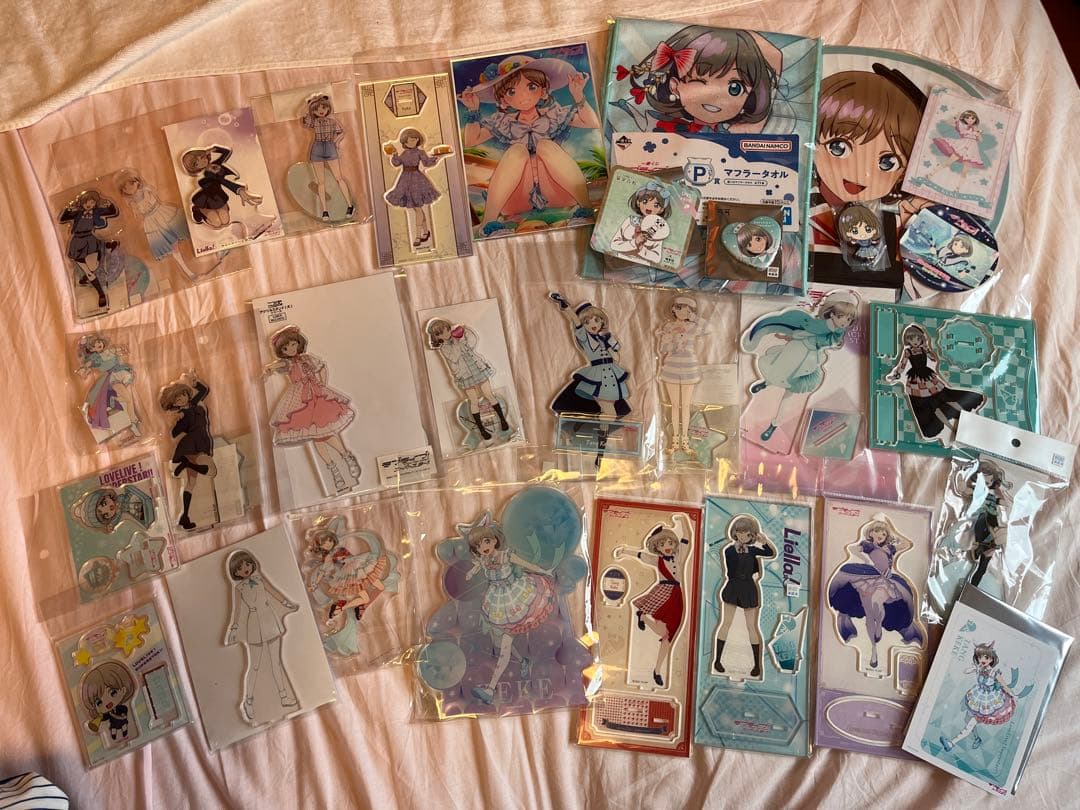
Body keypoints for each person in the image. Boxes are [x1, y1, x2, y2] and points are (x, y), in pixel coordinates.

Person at [459, 53, 599, 234]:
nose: (523, 96)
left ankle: (586, 209)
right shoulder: (504, 122)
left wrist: (578, 95)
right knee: (517, 150)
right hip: (518, 197)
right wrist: (472, 110)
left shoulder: (554, 115)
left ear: (543, 90)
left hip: (557, 191)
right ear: (503, 100)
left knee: (545, 145)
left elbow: (592, 122)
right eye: (512, 92)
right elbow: (471, 141)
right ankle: (489, 223)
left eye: (531, 87)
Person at [463, 513, 557, 704]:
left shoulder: (506, 555)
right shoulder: (484, 561)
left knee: (504, 645)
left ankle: (490, 690)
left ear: (494, 539)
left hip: (517, 599)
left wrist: (544, 571)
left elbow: (527, 564)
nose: (484, 547)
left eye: (486, 541)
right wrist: (471, 572)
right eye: (478, 546)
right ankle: (523, 661)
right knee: (501, 643)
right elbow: (477, 567)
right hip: (497, 604)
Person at [742, 290, 858, 442]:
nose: (845, 322)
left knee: (790, 391)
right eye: (842, 316)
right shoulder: (819, 324)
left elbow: (827, 341)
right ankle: (766, 383)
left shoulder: (837, 332)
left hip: (810, 359)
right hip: (797, 349)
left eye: (849, 319)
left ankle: (774, 424)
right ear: (832, 314)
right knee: (780, 368)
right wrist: (788, 336)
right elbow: (803, 332)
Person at [263, 326, 360, 493]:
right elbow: (278, 365)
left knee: (323, 432)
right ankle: (336, 467)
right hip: (300, 399)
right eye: (285, 348)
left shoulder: (307, 358)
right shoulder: (288, 363)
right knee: (317, 436)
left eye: (293, 344)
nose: (291, 349)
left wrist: (322, 384)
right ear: (282, 351)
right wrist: (269, 369)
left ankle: (344, 459)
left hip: (317, 395)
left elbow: (322, 367)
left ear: (298, 343)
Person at [827, 519, 925, 669]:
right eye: (877, 531)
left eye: (884, 533)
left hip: (887, 580)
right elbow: (852, 549)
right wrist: (866, 560)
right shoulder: (868, 546)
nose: (881, 535)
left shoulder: (890, 548)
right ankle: (873, 649)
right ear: (871, 533)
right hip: (870, 577)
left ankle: (884, 625)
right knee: (868, 609)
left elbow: (906, 544)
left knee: (900, 599)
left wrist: (892, 535)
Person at [614, 515, 692, 687]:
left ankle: (657, 670)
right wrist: (624, 551)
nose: (667, 547)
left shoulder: (679, 555)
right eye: (662, 544)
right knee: (665, 633)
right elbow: (640, 555)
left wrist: (683, 521)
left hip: (677, 596)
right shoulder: (657, 559)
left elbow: (686, 537)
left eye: (670, 543)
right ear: (657, 548)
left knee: (669, 635)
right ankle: (642, 615)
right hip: (663, 591)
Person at [225, 550, 299, 724]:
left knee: (276, 662)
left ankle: (283, 696)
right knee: (255, 666)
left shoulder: (259, 579)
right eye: (240, 568)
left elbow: (273, 592)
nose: (245, 569)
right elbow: (236, 610)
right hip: (254, 624)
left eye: (247, 564)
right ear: (235, 572)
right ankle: (248, 701)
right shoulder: (238, 588)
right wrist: (233, 628)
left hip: (269, 620)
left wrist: (287, 603)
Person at [885, 324, 985, 441]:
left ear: (921, 338)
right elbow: (902, 365)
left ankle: (966, 419)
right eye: (911, 339)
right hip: (916, 382)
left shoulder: (924, 349)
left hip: (929, 378)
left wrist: (927, 348)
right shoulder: (908, 352)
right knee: (933, 408)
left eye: (917, 338)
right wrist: (895, 375)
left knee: (947, 398)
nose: (915, 342)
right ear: (907, 341)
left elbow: (933, 358)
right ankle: (952, 429)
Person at [426, 318, 510, 440]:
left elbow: (472, 343)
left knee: (489, 394)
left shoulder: (458, 338)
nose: (446, 333)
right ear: (437, 336)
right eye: (441, 333)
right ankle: (482, 430)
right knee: (474, 401)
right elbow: (455, 357)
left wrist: (465, 331)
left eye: (447, 330)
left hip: (477, 368)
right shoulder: (444, 348)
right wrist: (457, 341)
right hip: (465, 375)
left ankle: (503, 420)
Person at [159, 372, 216, 530]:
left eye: (183, 395)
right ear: (174, 404)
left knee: (191, 483)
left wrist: (195, 383)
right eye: (177, 399)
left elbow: (204, 390)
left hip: (201, 440)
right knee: (211, 470)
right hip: (193, 444)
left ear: (187, 394)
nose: (182, 399)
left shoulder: (194, 402)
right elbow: (174, 433)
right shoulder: (182, 414)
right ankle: (186, 464)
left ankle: (184, 517)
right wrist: (177, 419)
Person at [940, 642, 1017, 752]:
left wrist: (1013, 695)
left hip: (988, 702)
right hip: (977, 697)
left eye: (986, 657)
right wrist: (974, 667)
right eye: (980, 657)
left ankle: (951, 743)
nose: (982, 659)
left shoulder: (994, 673)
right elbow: (965, 671)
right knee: (967, 720)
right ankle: (977, 739)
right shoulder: (979, 669)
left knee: (970, 724)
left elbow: (1004, 685)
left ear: (991, 658)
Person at [383, 128, 451, 247]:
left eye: (416, 139)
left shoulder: (420, 152)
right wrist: (394, 154)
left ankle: (418, 236)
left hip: (417, 181)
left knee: (418, 208)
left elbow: (427, 163)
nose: (414, 141)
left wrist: (438, 157)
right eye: (411, 140)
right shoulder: (404, 153)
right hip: (405, 181)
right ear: (405, 141)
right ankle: (426, 232)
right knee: (417, 208)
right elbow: (397, 163)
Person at [656, 296, 702, 451]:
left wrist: (694, 318)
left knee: (686, 405)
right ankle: (675, 440)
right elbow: (662, 349)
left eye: (688, 311)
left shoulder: (693, 327)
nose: (683, 313)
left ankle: (685, 440)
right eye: (680, 309)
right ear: (674, 309)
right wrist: (670, 341)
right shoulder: (668, 327)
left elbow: (709, 329)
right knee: (675, 405)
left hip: (689, 367)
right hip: (672, 368)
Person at [301, 93, 356, 221]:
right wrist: (308, 105)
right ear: (313, 111)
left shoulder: (332, 121)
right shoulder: (314, 122)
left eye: (323, 108)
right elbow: (305, 122)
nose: (321, 111)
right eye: (316, 109)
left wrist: (336, 142)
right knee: (320, 182)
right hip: (317, 148)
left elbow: (341, 132)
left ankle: (349, 205)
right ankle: (325, 211)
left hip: (330, 147)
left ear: (328, 108)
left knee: (339, 178)